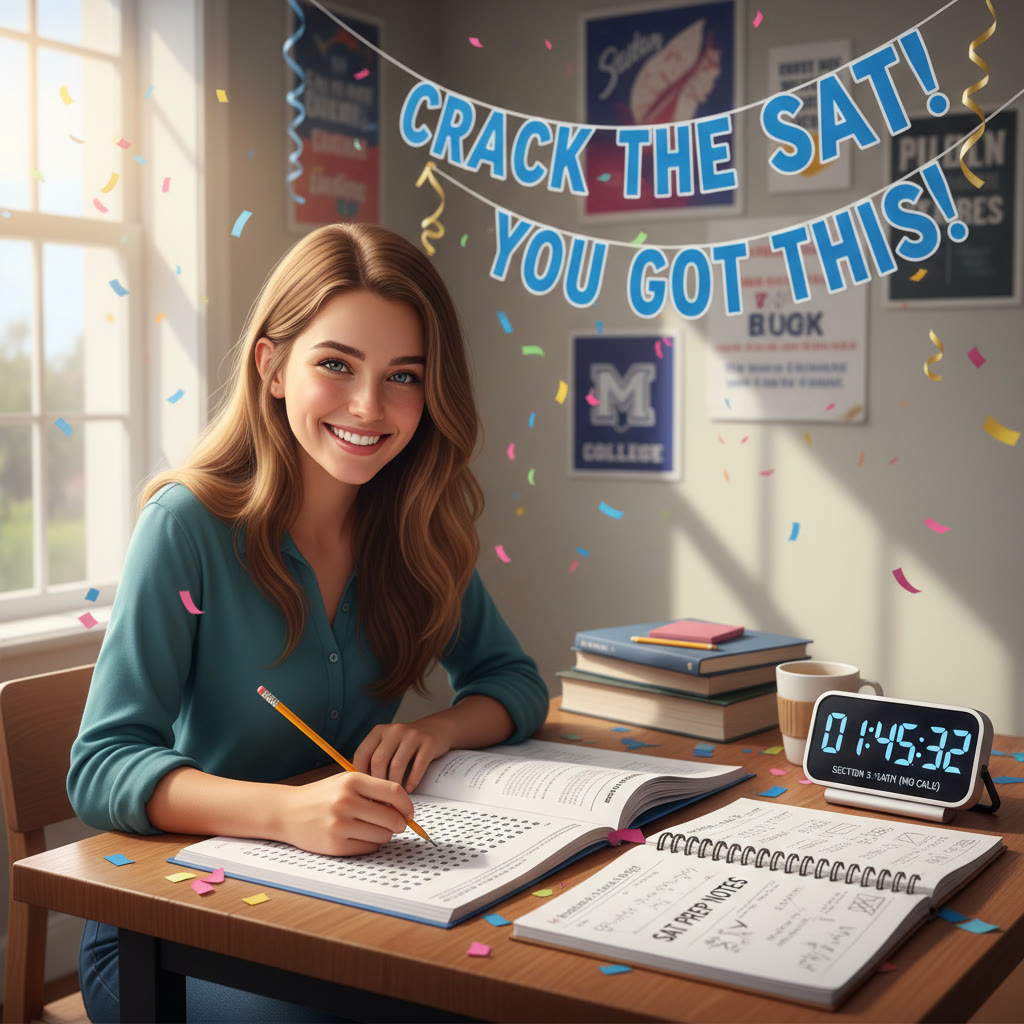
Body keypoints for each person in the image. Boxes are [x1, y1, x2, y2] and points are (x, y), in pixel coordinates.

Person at [67, 222, 549, 1022]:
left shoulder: (415, 527)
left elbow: (514, 682)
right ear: (272, 367)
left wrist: (437, 731)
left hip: (341, 902)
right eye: (336, 365)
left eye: (403, 376)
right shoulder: (185, 527)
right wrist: (288, 813)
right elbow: (102, 766)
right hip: (168, 936)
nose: (369, 406)